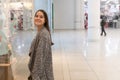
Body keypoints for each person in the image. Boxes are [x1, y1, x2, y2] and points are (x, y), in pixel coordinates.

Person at [28, 9, 54, 80]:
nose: (38, 18)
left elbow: (40, 58)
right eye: (36, 16)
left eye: (41, 17)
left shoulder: (43, 35)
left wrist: (35, 76)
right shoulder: (40, 32)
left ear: (45, 20)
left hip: (42, 75)